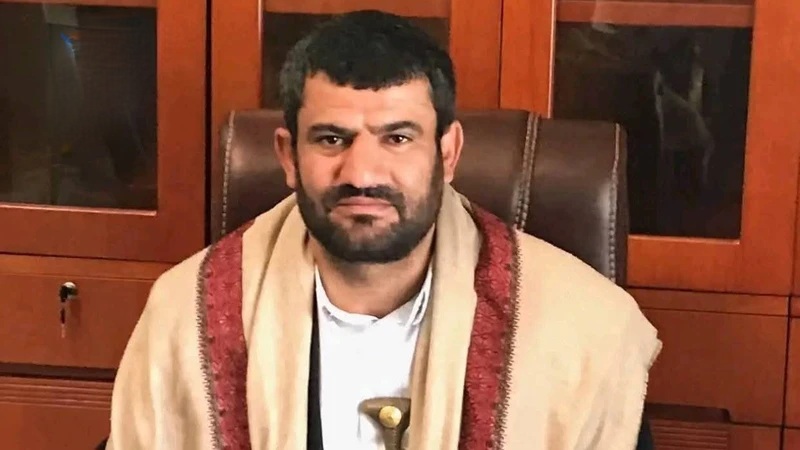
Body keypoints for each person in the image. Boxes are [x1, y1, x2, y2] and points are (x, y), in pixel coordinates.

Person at [104, 10, 661, 450]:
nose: (363, 173)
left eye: (397, 138)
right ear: (288, 156)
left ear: (448, 153)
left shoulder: (583, 329)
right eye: (331, 139)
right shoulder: (186, 318)